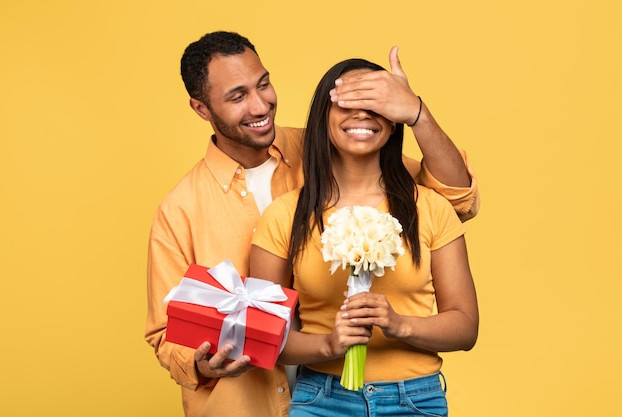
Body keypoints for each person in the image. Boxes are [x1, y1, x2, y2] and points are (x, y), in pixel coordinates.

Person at [145, 31, 479, 417]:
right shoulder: (180, 210)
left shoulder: (335, 145)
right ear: (202, 109)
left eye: (264, 84)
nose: (260, 105)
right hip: (254, 403)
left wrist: (415, 111)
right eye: (238, 97)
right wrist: (203, 364)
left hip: (392, 392)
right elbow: (166, 334)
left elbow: (454, 196)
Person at [249, 58, 479, 416]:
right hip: (321, 400)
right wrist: (329, 344)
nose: (361, 115)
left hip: (415, 401)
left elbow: (465, 326)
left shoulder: (431, 208)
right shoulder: (284, 215)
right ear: (323, 115)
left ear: (393, 121)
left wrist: (399, 324)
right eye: (346, 103)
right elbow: (262, 335)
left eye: (375, 104)